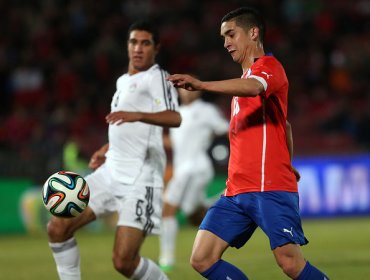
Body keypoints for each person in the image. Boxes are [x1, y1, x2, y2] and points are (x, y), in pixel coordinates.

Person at [167, 7, 329, 280]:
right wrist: (288, 162)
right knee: (202, 258)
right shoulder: (241, 83)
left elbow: (255, 87)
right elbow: (284, 125)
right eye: (223, 38)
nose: (226, 43)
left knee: (290, 263)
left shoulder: (268, 67)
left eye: (231, 34)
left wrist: (203, 85)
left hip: (269, 187)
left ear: (253, 32)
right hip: (236, 190)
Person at [46, 20, 181, 280]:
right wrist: (106, 148)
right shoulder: (122, 81)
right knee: (57, 227)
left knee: (123, 262)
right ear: (127, 45)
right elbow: (127, 128)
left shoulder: (158, 78)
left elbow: (174, 118)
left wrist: (137, 114)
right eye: (133, 42)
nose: (138, 48)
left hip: (141, 180)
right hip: (110, 172)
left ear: (156, 48)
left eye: (145, 43)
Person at [159, 87, 229, 271]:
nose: (186, 91)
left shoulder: (206, 110)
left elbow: (227, 129)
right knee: (194, 215)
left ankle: (167, 259)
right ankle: (225, 197)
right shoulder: (177, 113)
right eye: (182, 88)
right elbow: (176, 143)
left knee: (167, 210)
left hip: (194, 167)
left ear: (197, 91)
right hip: (186, 169)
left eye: (189, 88)